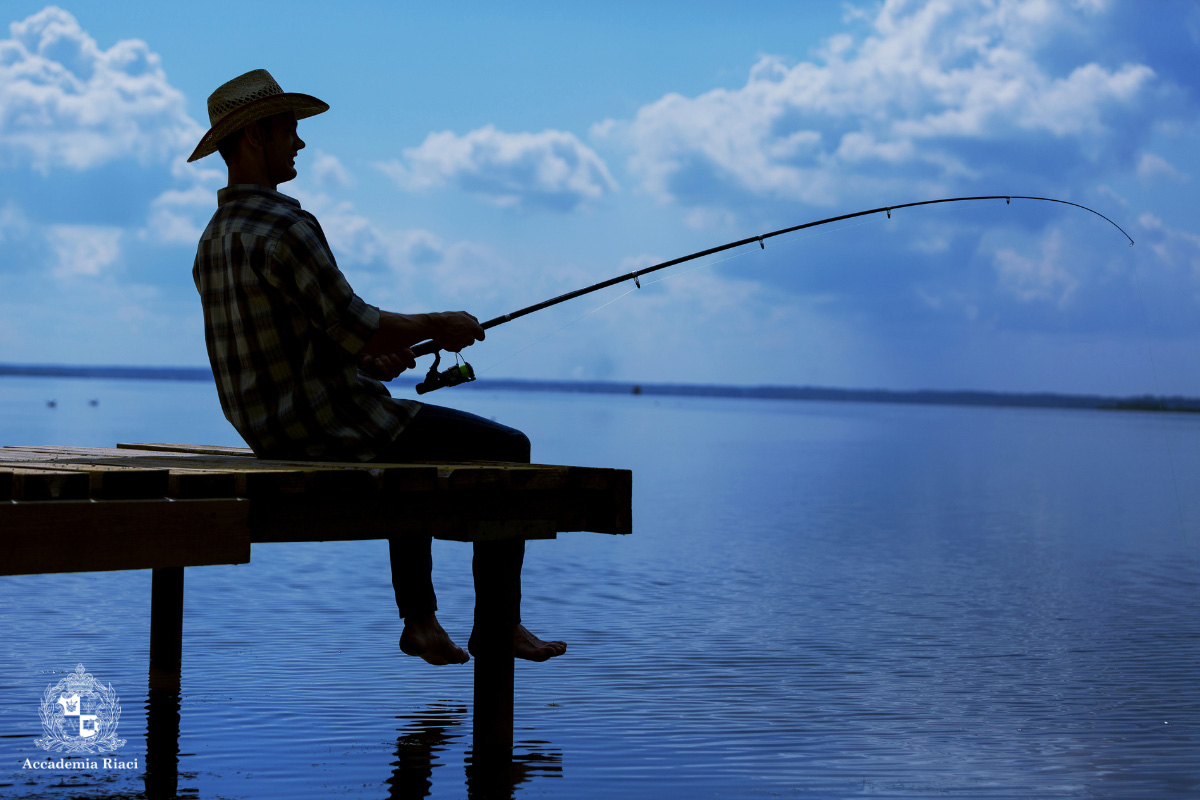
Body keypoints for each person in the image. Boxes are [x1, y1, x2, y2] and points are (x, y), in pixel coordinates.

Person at [188, 69, 565, 666]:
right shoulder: (286, 225)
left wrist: (364, 358)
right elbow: (356, 317)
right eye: (289, 130)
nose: (300, 144)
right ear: (256, 136)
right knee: (510, 449)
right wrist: (438, 323)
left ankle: (421, 621)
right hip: (326, 423)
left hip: (266, 430)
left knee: (402, 446)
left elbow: (313, 334)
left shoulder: (213, 239)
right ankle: (498, 625)